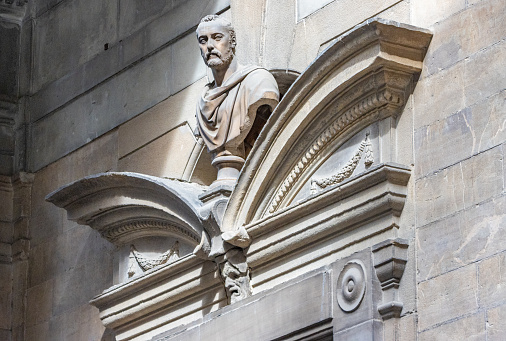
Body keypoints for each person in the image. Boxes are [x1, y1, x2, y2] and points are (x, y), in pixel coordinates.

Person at [195, 15, 279, 162]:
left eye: (217, 37)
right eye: (203, 40)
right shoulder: (204, 100)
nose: (209, 46)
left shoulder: (259, 81)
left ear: (232, 41)